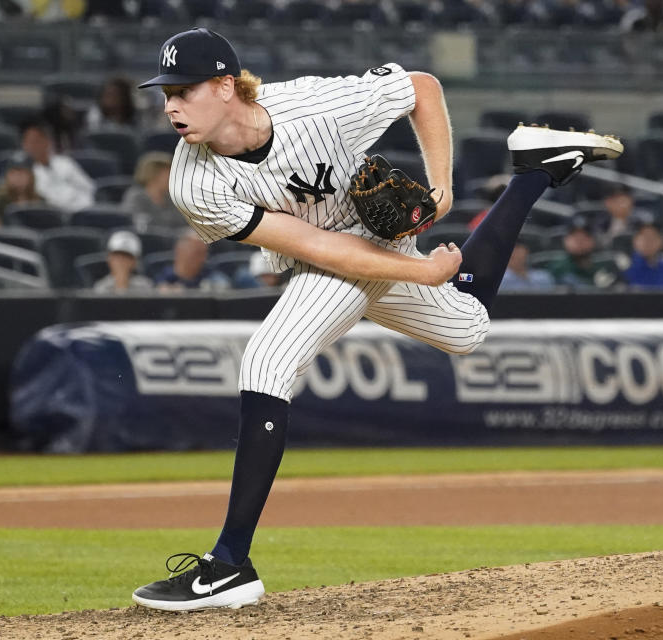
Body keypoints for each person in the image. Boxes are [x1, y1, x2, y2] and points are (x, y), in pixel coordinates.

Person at [129, 27, 622, 612]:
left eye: (183, 90)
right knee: (455, 329)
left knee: (290, 356)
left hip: (367, 235)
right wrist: (421, 273)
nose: (171, 106)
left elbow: (421, 87)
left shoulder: (315, 106)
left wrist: (440, 189)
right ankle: (536, 172)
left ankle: (230, 564)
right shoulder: (192, 180)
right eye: (165, 94)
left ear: (225, 85)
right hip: (328, 252)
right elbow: (316, 246)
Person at [18, 118, 95, 211]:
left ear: (47, 141)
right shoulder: (25, 171)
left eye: (37, 140)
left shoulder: (65, 163)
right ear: (24, 145)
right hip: (50, 215)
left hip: (80, 210)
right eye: (30, 142)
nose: (34, 146)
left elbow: (88, 187)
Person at [547, 215, 618, 288]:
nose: (580, 241)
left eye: (585, 236)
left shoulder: (602, 266)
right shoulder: (558, 268)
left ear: (593, 240)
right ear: (565, 240)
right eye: (575, 237)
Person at [622, 212, 663, 289]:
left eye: (652, 238)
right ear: (635, 241)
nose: (648, 242)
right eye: (643, 238)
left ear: (661, 242)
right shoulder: (625, 268)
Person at [121, 151, 181, 228]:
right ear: (154, 174)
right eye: (168, 174)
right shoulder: (136, 196)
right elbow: (138, 222)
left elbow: (182, 222)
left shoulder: (172, 198)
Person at [154, 233, 229, 292]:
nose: (203, 259)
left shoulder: (212, 278)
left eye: (204, 253)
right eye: (197, 253)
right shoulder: (162, 275)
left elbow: (222, 285)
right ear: (179, 251)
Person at [0, 153, 44, 220]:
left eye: (22, 173)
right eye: (13, 173)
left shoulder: (40, 201)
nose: (17, 178)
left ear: (31, 176)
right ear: (7, 176)